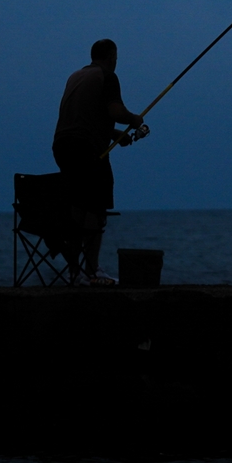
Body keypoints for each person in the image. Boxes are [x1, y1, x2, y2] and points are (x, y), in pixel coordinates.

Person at [52, 38, 145, 286]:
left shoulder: (76, 76)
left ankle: (74, 273)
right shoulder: (108, 76)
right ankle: (92, 271)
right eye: (116, 58)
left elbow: (83, 119)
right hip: (86, 149)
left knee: (76, 208)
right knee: (95, 205)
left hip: (62, 146)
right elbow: (115, 112)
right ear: (111, 57)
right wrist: (134, 120)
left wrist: (113, 135)